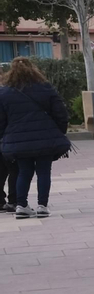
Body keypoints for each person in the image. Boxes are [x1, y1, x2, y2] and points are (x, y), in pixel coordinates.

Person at [0, 57, 71, 219]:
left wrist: (5, 139)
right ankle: (42, 206)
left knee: (24, 172)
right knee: (44, 172)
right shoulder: (45, 88)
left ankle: (21, 205)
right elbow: (61, 113)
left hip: (18, 142)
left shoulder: (4, 93)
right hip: (45, 138)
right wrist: (59, 131)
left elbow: (2, 121)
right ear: (33, 69)